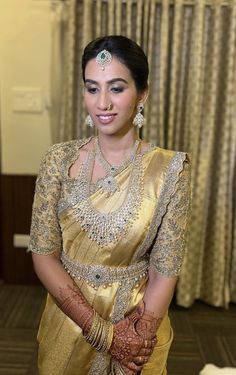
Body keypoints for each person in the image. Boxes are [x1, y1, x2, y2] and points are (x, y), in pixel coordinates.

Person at [28, 35, 191, 375]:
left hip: (138, 324)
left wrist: (139, 337)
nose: (102, 103)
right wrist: (103, 333)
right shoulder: (58, 161)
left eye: (116, 88)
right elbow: (43, 255)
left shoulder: (171, 169)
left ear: (142, 93)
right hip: (70, 323)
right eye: (92, 88)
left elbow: (166, 265)